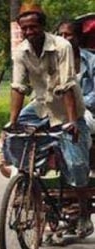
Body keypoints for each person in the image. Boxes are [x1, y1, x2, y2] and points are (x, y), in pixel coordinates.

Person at [6, 3, 93, 237]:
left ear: (43, 26)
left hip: (68, 108)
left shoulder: (61, 46)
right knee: (16, 142)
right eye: (24, 28)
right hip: (41, 106)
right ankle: (27, 188)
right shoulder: (21, 52)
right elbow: (18, 87)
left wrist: (73, 121)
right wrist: (12, 122)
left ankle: (84, 211)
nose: (28, 32)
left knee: (77, 164)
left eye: (33, 27)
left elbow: (66, 86)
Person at [57, 18, 95, 169]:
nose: (63, 39)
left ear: (78, 38)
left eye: (68, 35)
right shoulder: (51, 61)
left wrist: (76, 102)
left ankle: (80, 164)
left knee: (80, 122)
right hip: (57, 110)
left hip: (87, 112)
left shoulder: (92, 61)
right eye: (60, 36)